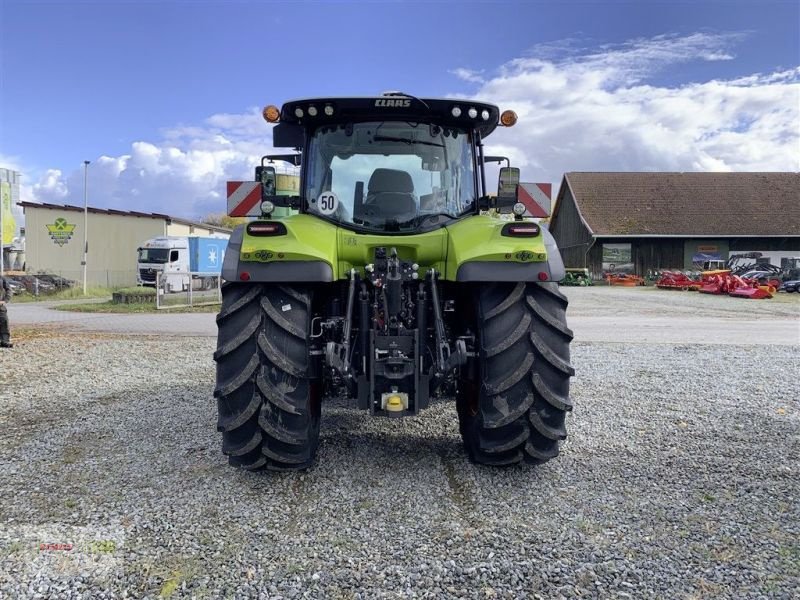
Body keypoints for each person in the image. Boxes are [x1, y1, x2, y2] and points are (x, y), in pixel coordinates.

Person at [0, 275, 12, 348]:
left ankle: (5, 341)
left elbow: (9, 289)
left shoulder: (2, 278)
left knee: (4, 321)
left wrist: (5, 300)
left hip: (0, 306)